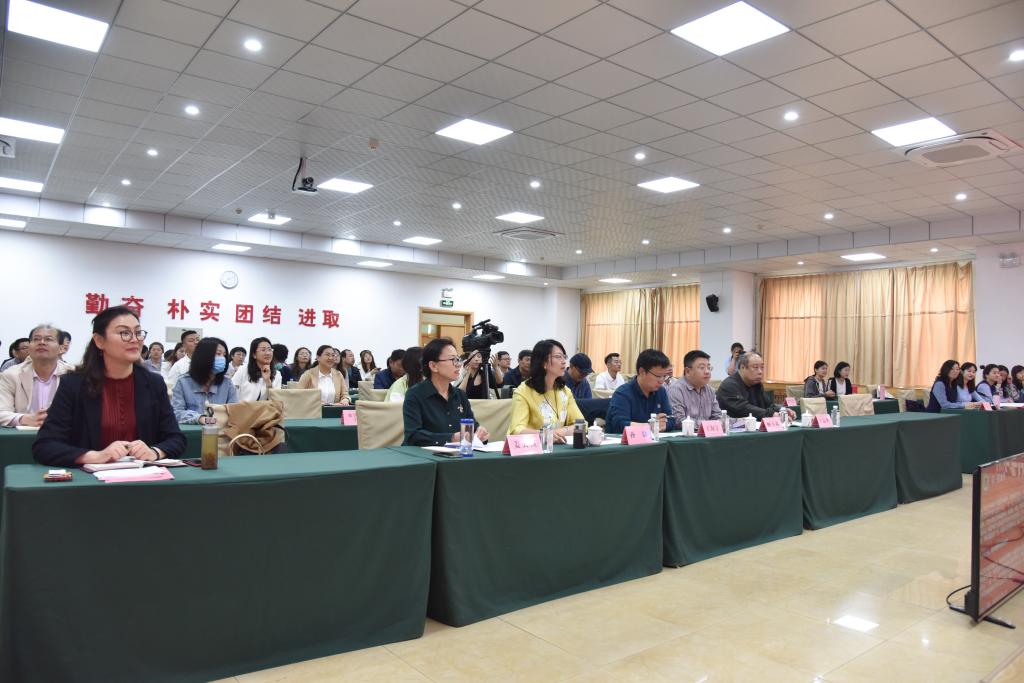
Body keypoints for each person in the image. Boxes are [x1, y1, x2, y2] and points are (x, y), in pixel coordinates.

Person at [33, 306, 186, 467]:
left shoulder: (154, 383)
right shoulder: (74, 384)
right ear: (99, 341)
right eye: (124, 333)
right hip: (91, 479)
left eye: (138, 332)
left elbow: (176, 438)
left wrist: (154, 452)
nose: (135, 339)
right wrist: (95, 456)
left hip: (144, 477)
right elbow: (45, 445)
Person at [402, 337, 488, 446]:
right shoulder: (415, 394)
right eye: (453, 360)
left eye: (458, 359)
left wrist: (479, 432)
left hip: (456, 453)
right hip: (422, 454)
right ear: (433, 366)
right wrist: (451, 438)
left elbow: (471, 426)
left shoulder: (460, 395)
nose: (459, 364)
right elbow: (413, 435)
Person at [508, 339, 585, 440]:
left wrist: (559, 432)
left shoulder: (564, 391)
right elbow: (516, 431)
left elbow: (582, 425)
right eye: (558, 357)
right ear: (543, 362)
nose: (564, 361)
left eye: (564, 357)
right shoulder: (523, 392)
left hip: (558, 447)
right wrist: (545, 435)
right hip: (532, 448)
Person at [0, 325, 70, 427]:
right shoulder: (10, 375)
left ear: (61, 348)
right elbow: (1, 412)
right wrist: (24, 419)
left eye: (48, 339)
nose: (41, 342)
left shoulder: (73, 375)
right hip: (23, 435)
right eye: (36, 339)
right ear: (29, 348)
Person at [606, 349, 677, 435]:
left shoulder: (661, 391)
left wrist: (658, 425)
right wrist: (650, 426)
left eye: (664, 376)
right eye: (658, 376)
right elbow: (620, 425)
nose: (662, 381)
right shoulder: (623, 393)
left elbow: (671, 419)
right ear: (642, 372)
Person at [171, 337, 238, 423]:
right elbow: (176, 412)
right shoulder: (183, 382)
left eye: (224, 355)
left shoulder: (227, 383)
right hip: (191, 430)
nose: (223, 358)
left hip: (220, 429)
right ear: (203, 356)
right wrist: (200, 418)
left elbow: (234, 411)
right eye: (218, 354)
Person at [716, 352, 794, 420]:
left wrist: (782, 410)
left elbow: (768, 405)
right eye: (755, 367)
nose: (760, 372)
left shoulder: (756, 384)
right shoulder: (729, 385)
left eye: (762, 367)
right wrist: (771, 415)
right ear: (743, 367)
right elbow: (744, 408)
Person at [667, 349, 722, 423]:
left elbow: (717, 416)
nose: (707, 372)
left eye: (709, 368)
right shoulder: (676, 389)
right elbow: (679, 420)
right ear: (687, 371)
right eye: (702, 367)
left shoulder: (710, 390)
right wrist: (705, 424)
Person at [232, 337, 281, 401]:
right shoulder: (243, 370)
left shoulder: (277, 374)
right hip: (242, 406)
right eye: (263, 350)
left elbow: (276, 400)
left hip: (265, 407)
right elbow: (232, 392)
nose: (268, 353)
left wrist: (268, 381)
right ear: (254, 354)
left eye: (269, 349)